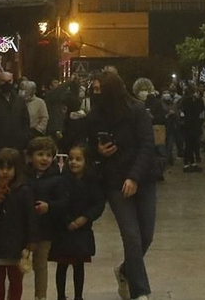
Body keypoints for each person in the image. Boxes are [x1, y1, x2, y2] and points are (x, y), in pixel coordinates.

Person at [84, 70, 159, 300]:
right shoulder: (96, 116)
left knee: (146, 235)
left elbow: (147, 145)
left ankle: (126, 271)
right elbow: (83, 145)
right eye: (94, 89)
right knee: (131, 236)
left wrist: (134, 177)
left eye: (99, 89)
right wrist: (97, 151)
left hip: (142, 180)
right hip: (115, 182)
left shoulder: (137, 111)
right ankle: (140, 291)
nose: (96, 93)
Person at [47, 145, 105, 300]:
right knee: (62, 264)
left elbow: (99, 203)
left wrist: (84, 218)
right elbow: (57, 202)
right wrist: (67, 221)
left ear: (86, 162)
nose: (73, 162)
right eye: (71, 159)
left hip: (82, 229)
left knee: (79, 265)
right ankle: (61, 296)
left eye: (78, 159)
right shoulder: (61, 180)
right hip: (62, 229)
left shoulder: (92, 181)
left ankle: (78, 296)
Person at [0, 147, 32, 300]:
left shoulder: (24, 191)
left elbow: (30, 217)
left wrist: (30, 242)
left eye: (9, 168)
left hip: (16, 244)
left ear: (17, 169)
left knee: (16, 280)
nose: (4, 172)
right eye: (1, 168)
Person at [24, 136, 66, 300]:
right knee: (19, 265)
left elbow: (63, 202)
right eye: (40, 154)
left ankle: (40, 297)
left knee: (40, 266)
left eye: (48, 155)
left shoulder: (57, 179)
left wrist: (49, 207)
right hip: (25, 229)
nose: (44, 159)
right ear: (30, 157)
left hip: (45, 230)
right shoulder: (24, 176)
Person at [0, 72, 36, 173]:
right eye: (3, 81)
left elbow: (25, 121)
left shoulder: (20, 101)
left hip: (17, 147)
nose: (7, 84)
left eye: (9, 81)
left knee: (18, 174)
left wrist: (24, 138)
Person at [178, 85, 205, 173]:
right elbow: (200, 109)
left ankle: (190, 163)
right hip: (192, 125)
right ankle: (188, 163)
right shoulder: (191, 101)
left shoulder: (184, 101)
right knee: (191, 145)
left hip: (189, 125)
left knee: (190, 145)